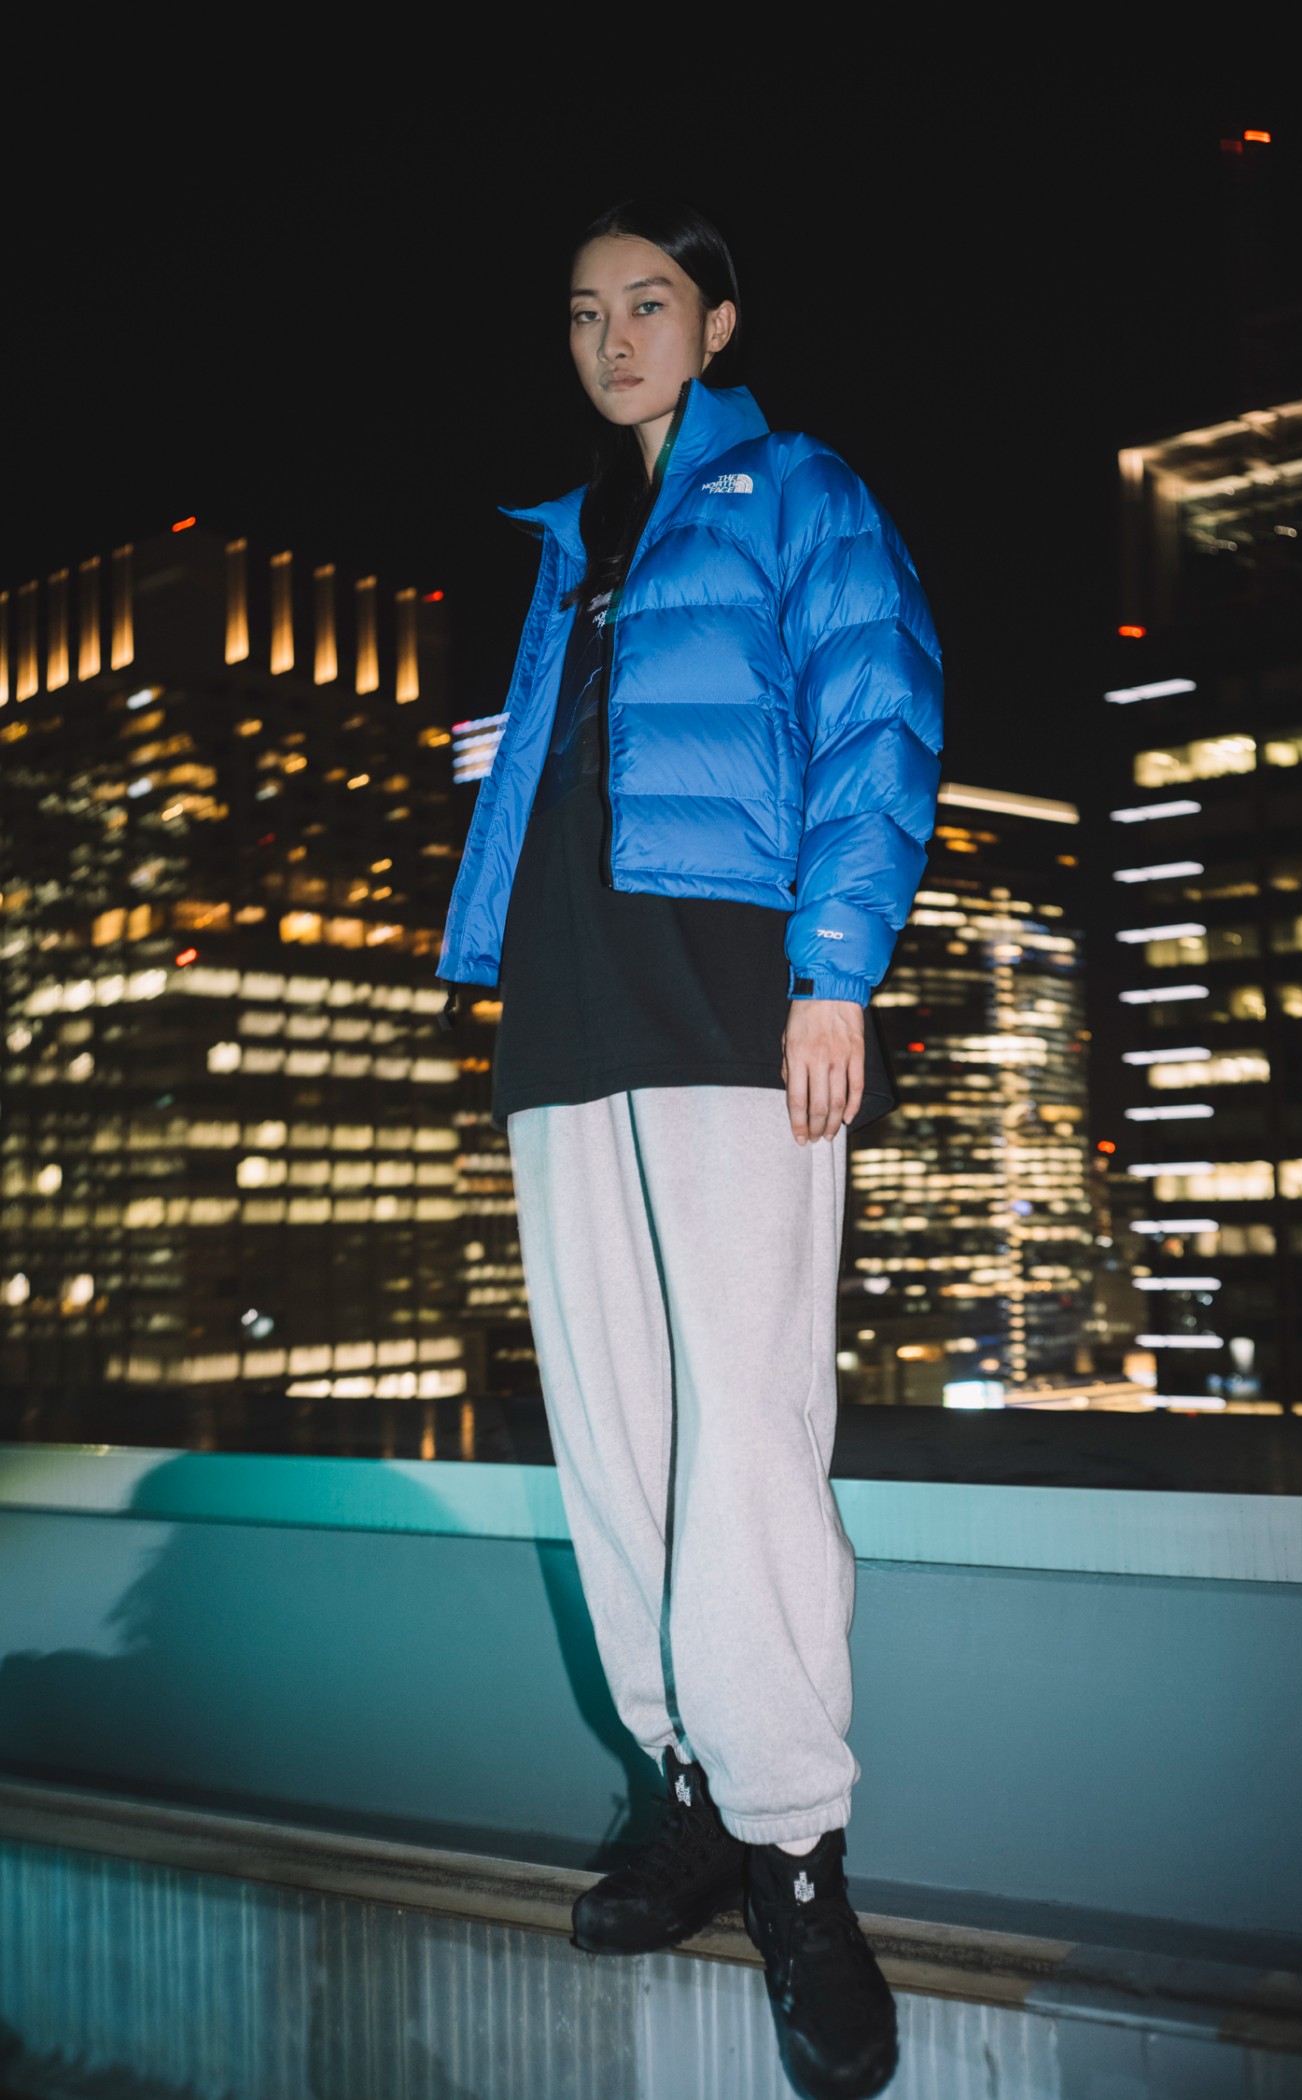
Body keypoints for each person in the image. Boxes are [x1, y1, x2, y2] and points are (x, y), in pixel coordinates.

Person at [438, 198, 942, 2100]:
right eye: (586, 312)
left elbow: (879, 718)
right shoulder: (570, 547)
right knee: (617, 1446)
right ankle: (692, 1796)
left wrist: (837, 976)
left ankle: (798, 1851)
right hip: (564, 1027)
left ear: (718, 323)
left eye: (649, 302)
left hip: (733, 1009)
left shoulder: (800, 492)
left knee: (747, 1430)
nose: (615, 336)